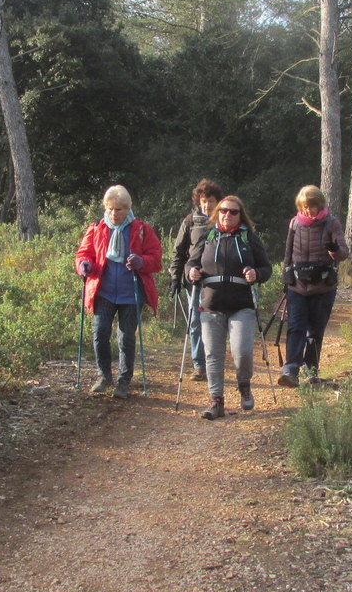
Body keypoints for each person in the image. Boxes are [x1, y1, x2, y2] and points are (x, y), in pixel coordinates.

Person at [186, 195, 272, 420]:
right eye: (224, 210)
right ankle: (216, 402)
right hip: (211, 304)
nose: (228, 215)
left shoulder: (248, 238)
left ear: (240, 215)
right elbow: (191, 263)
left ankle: (244, 384)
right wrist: (191, 272)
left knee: (242, 351)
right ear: (218, 212)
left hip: (241, 304)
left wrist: (257, 274)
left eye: (233, 212)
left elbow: (266, 268)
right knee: (213, 355)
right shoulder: (207, 235)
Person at [75, 185, 162, 399]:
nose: (115, 213)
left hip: (131, 293)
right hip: (103, 291)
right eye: (111, 209)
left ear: (127, 208)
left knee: (126, 338)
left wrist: (142, 262)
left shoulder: (141, 229)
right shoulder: (96, 227)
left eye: (120, 209)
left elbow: (156, 259)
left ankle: (124, 381)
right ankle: (104, 376)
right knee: (100, 332)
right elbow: (84, 253)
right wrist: (84, 265)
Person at [277, 185, 349, 388]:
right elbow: (288, 254)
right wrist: (286, 276)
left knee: (315, 330)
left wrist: (334, 251)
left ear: (320, 205)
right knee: (296, 327)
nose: (308, 211)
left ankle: (311, 370)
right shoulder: (295, 224)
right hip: (297, 286)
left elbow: (344, 253)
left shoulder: (331, 223)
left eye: (312, 207)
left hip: (323, 287)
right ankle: (290, 370)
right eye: (304, 207)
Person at [168, 179, 223, 381]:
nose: (207, 205)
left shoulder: (225, 220)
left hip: (218, 282)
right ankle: (199, 365)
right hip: (194, 281)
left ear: (218, 201)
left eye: (211, 200)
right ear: (198, 201)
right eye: (203, 200)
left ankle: (213, 362)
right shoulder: (190, 221)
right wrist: (175, 277)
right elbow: (179, 251)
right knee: (195, 323)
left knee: (216, 322)